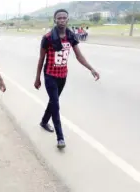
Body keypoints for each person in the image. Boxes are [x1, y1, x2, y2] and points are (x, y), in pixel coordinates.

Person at [34, 9, 100, 149]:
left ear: (68, 20)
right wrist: (37, 78)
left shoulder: (71, 36)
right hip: (50, 75)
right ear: (55, 20)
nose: (62, 20)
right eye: (59, 18)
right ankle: (60, 138)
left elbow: (79, 56)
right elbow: (41, 59)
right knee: (56, 105)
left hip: (62, 76)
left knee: (53, 101)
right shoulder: (48, 38)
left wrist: (91, 69)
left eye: (64, 18)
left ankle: (44, 121)